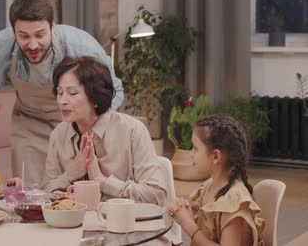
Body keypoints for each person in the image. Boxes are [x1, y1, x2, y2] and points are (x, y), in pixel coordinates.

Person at [0, 0, 124, 186]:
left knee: (80, 188)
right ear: (13, 31)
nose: (33, 44)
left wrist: (96, 124)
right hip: (29, 122)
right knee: (31, 191)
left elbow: (114, 89)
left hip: (77, 122)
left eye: (40, 34)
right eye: (24, 36)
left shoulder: (81, 46)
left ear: (52, 27)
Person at [43, 57, 166, 205]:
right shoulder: (58, 134)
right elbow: (43, 194)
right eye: (60, 92)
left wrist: (104, 181)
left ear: (95, 96)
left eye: (73, 93)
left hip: (124, 225)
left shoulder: (132, 130)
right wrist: (70, 175)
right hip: (72, 225)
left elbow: (156, 195)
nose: (62, 100)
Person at [169, 115, 265, 246]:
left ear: (215, 156)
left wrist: (188, 224)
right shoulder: (209, 186)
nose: (191, 153)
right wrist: (190, 214)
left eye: (195, 148)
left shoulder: (234, 201)